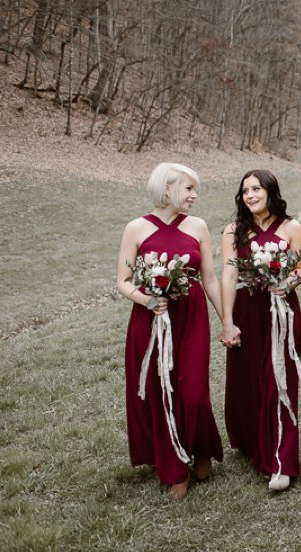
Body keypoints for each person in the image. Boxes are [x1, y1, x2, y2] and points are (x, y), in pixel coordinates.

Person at [116, 163, 225, 500]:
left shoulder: (199, 227)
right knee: (159, 390)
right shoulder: (136, 228)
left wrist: (227, 320)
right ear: (167, 188)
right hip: (149, 320)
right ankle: (175, 469)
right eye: (189, 189)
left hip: (191, 318)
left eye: (195, 189)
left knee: (192, 392)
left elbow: (209, 278)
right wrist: (148, 300)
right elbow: (122, 281)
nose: (195, 196)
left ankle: (202, 446)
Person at [221, 170, 301, 492]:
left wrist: (287, 282)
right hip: (247, 310)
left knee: (279, 380)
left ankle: (281, 460)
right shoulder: (233, 231)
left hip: (283, 311)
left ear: (271, 191)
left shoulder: (291, 227)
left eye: (257, 188)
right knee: (248, 381)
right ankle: (251, 441)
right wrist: (228, 321)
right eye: (245, 191)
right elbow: (229, 277)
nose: (251, 195)